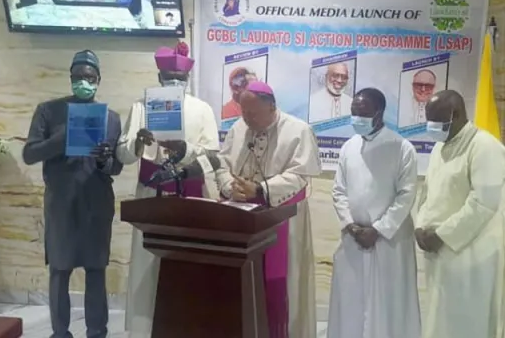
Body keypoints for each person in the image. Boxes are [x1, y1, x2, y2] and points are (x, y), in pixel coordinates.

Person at [119, 41, 220, 335]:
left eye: (180, 77)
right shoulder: (141, 106)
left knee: (189, 265)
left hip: (189, 192)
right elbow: (124, 156)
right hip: (151, 191)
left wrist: (184, 149)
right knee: (147, 264)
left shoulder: (202, 109)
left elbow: (213, 155)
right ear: (160, 77)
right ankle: (144, 329)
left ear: (187, 80)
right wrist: (138, 142)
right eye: (169, 77)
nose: (174, 81)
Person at [22, 50, 124, 338]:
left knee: (96, 270)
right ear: (70, 78)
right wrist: (61, 139)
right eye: (78, 76)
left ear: (99, 80)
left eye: (89, 77)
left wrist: (105, 159)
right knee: (59, 269)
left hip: (97, 204)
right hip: (62, 204)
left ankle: (96, 332)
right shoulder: (48, 111)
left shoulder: (111, 119)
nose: (84, 81)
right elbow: (29, 154)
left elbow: (115, 167)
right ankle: (60, 332)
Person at [216, 81, 322, 338]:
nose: (247, 119)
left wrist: (261, 190)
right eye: (243, 112)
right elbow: (221, 165)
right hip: (242, 221)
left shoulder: (298, 130)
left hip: (282, 221)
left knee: (283, 287)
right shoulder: (238, 128)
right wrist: (231, 187)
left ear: (272, 107)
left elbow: (301, 174)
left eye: (252, 113)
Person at [327, 88, 421, 338]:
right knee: (351, 303)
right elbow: (338, 191)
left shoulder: (402, 148)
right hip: (353, 240)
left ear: (379, 113)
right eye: (353, 113)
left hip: (390, 242)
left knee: (388, 304)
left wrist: (378, 229)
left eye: (363, 113)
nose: (357, 119)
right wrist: (351, 226)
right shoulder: (349, 147)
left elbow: (406, 195)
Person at [415, 89, 505, 338]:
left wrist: (442, 234)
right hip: (440, 254)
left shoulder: (485, 147)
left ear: (454, 115)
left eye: (436, 120)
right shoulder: (440, 147)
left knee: (466, 322)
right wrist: (420, 226)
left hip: (471, 255)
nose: (431, 126)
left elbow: (483, 203)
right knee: (441, 320)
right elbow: (428, 192)